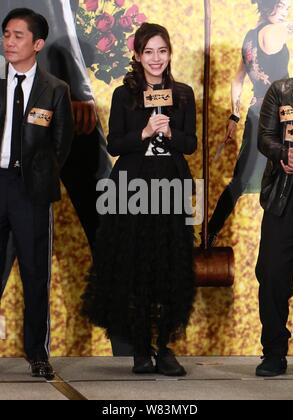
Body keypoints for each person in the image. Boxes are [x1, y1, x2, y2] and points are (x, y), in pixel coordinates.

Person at [81, 23, 197, 376]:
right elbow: (115, 144)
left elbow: (190, 144)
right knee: (135, 267)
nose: (156, 58)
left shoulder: (183, 93)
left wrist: (170, 132)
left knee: (169, 268)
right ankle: (140, 350)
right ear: (137, 56)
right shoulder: (123, 94)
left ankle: (165, 348)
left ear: (169, 54)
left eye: (162, 51)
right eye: (149, 52)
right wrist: (144, 132)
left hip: (171, 188)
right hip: (132, 190)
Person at [0, 0, 112, 299]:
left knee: (108, 222)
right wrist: (80, 89)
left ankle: (132, 339)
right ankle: (132, 339)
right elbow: (59, 18)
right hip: (56, 94)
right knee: (108, 222)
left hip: (45, 89)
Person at [0, 8, 74, 377]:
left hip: (31, 191)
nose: (9, 42)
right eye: (6, 35)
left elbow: (62, 145)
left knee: (35, 276)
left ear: (38, 44)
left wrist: (40, 177)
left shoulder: (55, 90)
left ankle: (38, 355)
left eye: (18, 36)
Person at [207, 0, 293, 246]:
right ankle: (281, 242)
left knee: (242, 178)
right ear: (269, 6)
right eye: (281, 7)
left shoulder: (249, 37)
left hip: (255, 115)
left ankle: (211, 230)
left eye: (287, 9)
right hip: (279, 118)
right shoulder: (276, 30)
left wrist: (234, 116)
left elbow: (238, 80)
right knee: (287, 177)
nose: (284, 14)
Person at [255, 73, 293, 376]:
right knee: (271, 274)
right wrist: (283, 154)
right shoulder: (282, 90)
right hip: (285, 194)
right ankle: (274, 351)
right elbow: (264, 138)